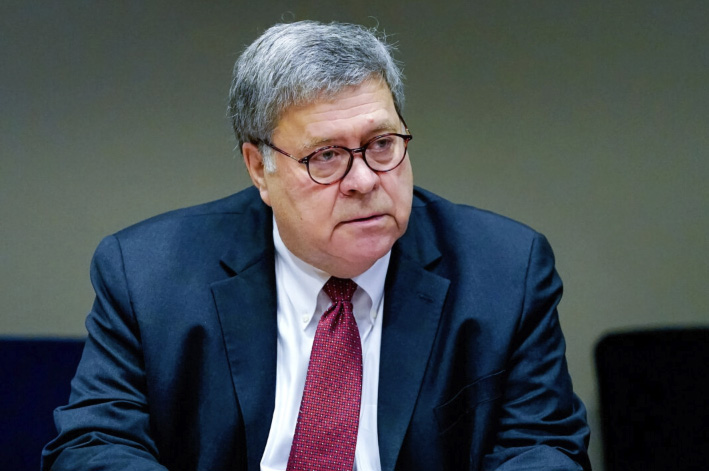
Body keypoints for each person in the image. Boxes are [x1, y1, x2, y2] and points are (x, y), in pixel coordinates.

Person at [42, 20, 591, 471]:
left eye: (381, 144)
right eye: (326, 156)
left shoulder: (505, 270)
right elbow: (93, 445)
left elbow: (544, 449)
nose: (365, 180)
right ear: (259, 168)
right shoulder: (147, 273)